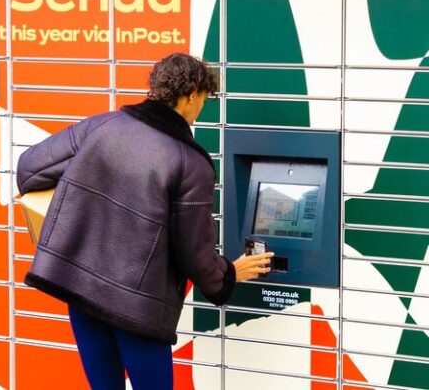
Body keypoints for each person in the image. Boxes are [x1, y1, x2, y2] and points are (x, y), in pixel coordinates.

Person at [17, 53, 273, 389]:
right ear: (192, 94)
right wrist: (227, 275)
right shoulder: (190, 162)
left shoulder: (102, 126)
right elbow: (194, 252)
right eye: (204, 100)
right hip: (138, 309)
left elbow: (29, 169)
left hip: (82, 292)